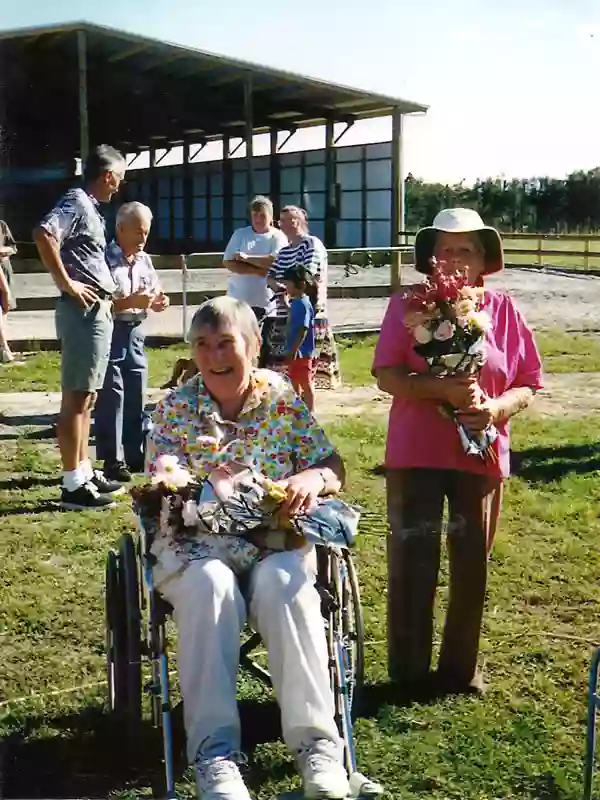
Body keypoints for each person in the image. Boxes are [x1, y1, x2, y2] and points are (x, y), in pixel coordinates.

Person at [146, 296, 350, 800]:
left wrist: (310, 478)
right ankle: (214, 754)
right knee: (212, 587)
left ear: (253, 347)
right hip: (196, 547)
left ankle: (318, 748)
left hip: (273, 541)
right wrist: (184, 485)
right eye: (202, 345)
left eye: (226, 344)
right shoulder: (174, 408)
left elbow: (332, 466)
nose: (215, 356)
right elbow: (160, 482)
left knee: (287, 586)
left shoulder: (281, 398)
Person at [372, 208, 543, 695]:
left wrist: (493, 409)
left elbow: (529, 380)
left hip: (482, 453)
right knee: (411, 557)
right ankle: (407, 671)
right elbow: (386, 374)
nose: (453, 259)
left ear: (484, 259)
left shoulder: (504, 310)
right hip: (415, 452)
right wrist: (439, 390)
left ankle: (459, 670)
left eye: (464, 249)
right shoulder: (406, 304)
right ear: (430, 257)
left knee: (472, 562)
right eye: (444, 249)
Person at [33, 145, 127, 510]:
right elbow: (44, 233)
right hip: (83, 312)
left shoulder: (91, 207)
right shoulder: (76, 200)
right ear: (107, 176)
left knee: (88, 396)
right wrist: (66, 284)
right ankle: (72, 484)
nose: (119, 186)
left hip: (97, 311)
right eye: (119, 178)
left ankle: (84, 472)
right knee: (76, 397)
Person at [95, 202, 169, 483]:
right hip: (112, 330)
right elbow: (98, 303)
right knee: (113, 395)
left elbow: (156, 290)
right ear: (120, 228)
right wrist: (129, 302)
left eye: (146, 232)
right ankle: (112, 460)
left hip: (137, 331)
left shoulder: (145, 260)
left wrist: (161, 300)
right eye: (138, 232)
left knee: (136, 392)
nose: (142, 239)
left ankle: (135, 453)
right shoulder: (103, 258)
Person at [261, 205, 341, 389]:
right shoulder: (284, 251)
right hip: (284, 314)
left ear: (302, 221)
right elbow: (271, 277)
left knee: (304, 370)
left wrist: (285, 283)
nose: (287, 224)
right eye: (283, 221)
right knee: (285, 373)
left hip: (309, 314)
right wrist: (280, 285)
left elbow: (305, 275)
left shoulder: (311, 244)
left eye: (292, 220)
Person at [223, 195, 287, 324]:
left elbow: (274, 261)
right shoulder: (240, 234)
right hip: (238, 300)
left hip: (266, 302)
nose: (258, 219)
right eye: (255, 215)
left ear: (270, 217)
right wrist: (260, 271)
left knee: (265, 341)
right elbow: (229, 262)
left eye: (262, 215)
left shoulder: (277, 236)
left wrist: (246, 258)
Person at [282, 265, 317, 411]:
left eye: (287, 284)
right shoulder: (297, 302)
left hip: (301, 352)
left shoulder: (303, 304)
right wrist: (286, 304)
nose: (285, 287)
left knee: (305, 382)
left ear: (300, 284)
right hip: (295, 351)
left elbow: (303, 329)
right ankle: (297, 409)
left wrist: (294, 350)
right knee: (294, 381)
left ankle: (310, 411)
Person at [0, 219, 18, 363]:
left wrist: (3, 251)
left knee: (4, 310)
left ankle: (4, 347)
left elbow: (13, 247)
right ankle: (4, 349)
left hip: (4, 270)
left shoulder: (2, 225)